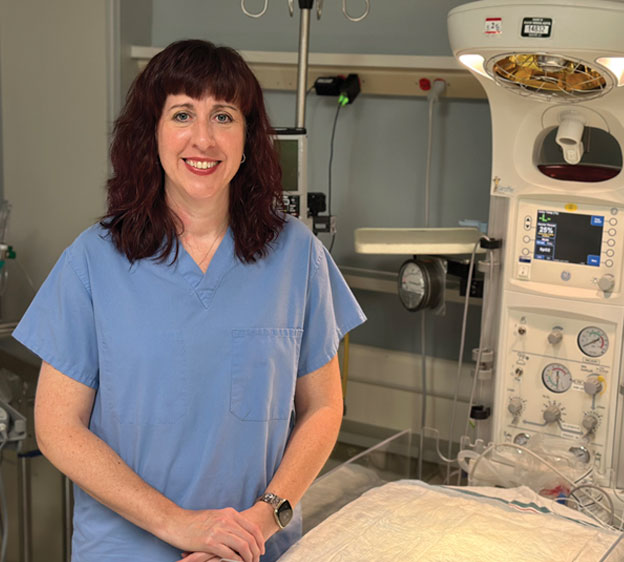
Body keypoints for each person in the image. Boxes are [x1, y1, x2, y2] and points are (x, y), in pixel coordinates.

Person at [13, 39, 366, 561]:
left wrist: (257, 525)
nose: (203, 139)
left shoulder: (297, 257)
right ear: (151, 134)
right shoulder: (93, 261)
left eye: (223, 116)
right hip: (125, 549)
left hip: (255, 549)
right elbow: (59, 427)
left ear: (248, 138)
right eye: (182, 114)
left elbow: (323, 407)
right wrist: (180, 526)